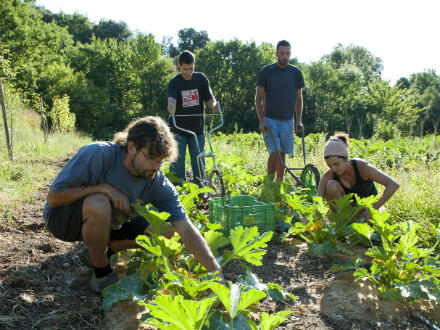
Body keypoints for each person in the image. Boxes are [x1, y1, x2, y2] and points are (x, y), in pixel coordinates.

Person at [43, 116, 223, 293]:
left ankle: (103, 252)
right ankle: (101, 273)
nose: (157, 167)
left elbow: (186, 229)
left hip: (112, 223)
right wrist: (103, 188)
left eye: (161, 160)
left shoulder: (156, 182)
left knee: (169, 231)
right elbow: (54, 198)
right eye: (151, 158)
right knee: (98, 202)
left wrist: (217, 273)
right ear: (131, 147)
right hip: (65, 220)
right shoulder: (98, 154)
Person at [167, 50, 219, 186]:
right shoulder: (174, 83)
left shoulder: (200, 79)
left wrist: (214, 106)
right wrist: (171, 106)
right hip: (178, 130)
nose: (188, 72)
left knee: (199, 162)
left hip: (197, 130)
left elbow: (209, 98)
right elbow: (171, 98)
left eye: (191, 69)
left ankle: (200, 192)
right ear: (179, 66)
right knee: (177, 163)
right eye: (185, 69)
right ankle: (178, 193)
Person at [255, 40, 305, 180]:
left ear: (290, 54)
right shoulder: (267, 71)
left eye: (287, 53)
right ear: (276, 54)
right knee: (275, 152)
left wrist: (298, 120)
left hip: (288, 120)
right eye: (282, 53)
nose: (284, 56)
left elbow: (299, 98)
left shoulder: (295, 72)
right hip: (270, 120)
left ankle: (279, 184)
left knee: (282, 153)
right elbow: (258, 98)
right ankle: (269, 184)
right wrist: (262, 120)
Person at [317, 132, 399, 216]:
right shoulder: (328, 176)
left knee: (372, 218)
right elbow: (318, 202)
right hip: (349, 215)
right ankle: (340, 221)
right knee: (331, 185)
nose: (333, 169)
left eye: (336, 164)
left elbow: (393, 185)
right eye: (329, 165)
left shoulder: (362, 167)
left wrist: (374, 207)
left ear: (345, 159)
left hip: (370, 209)